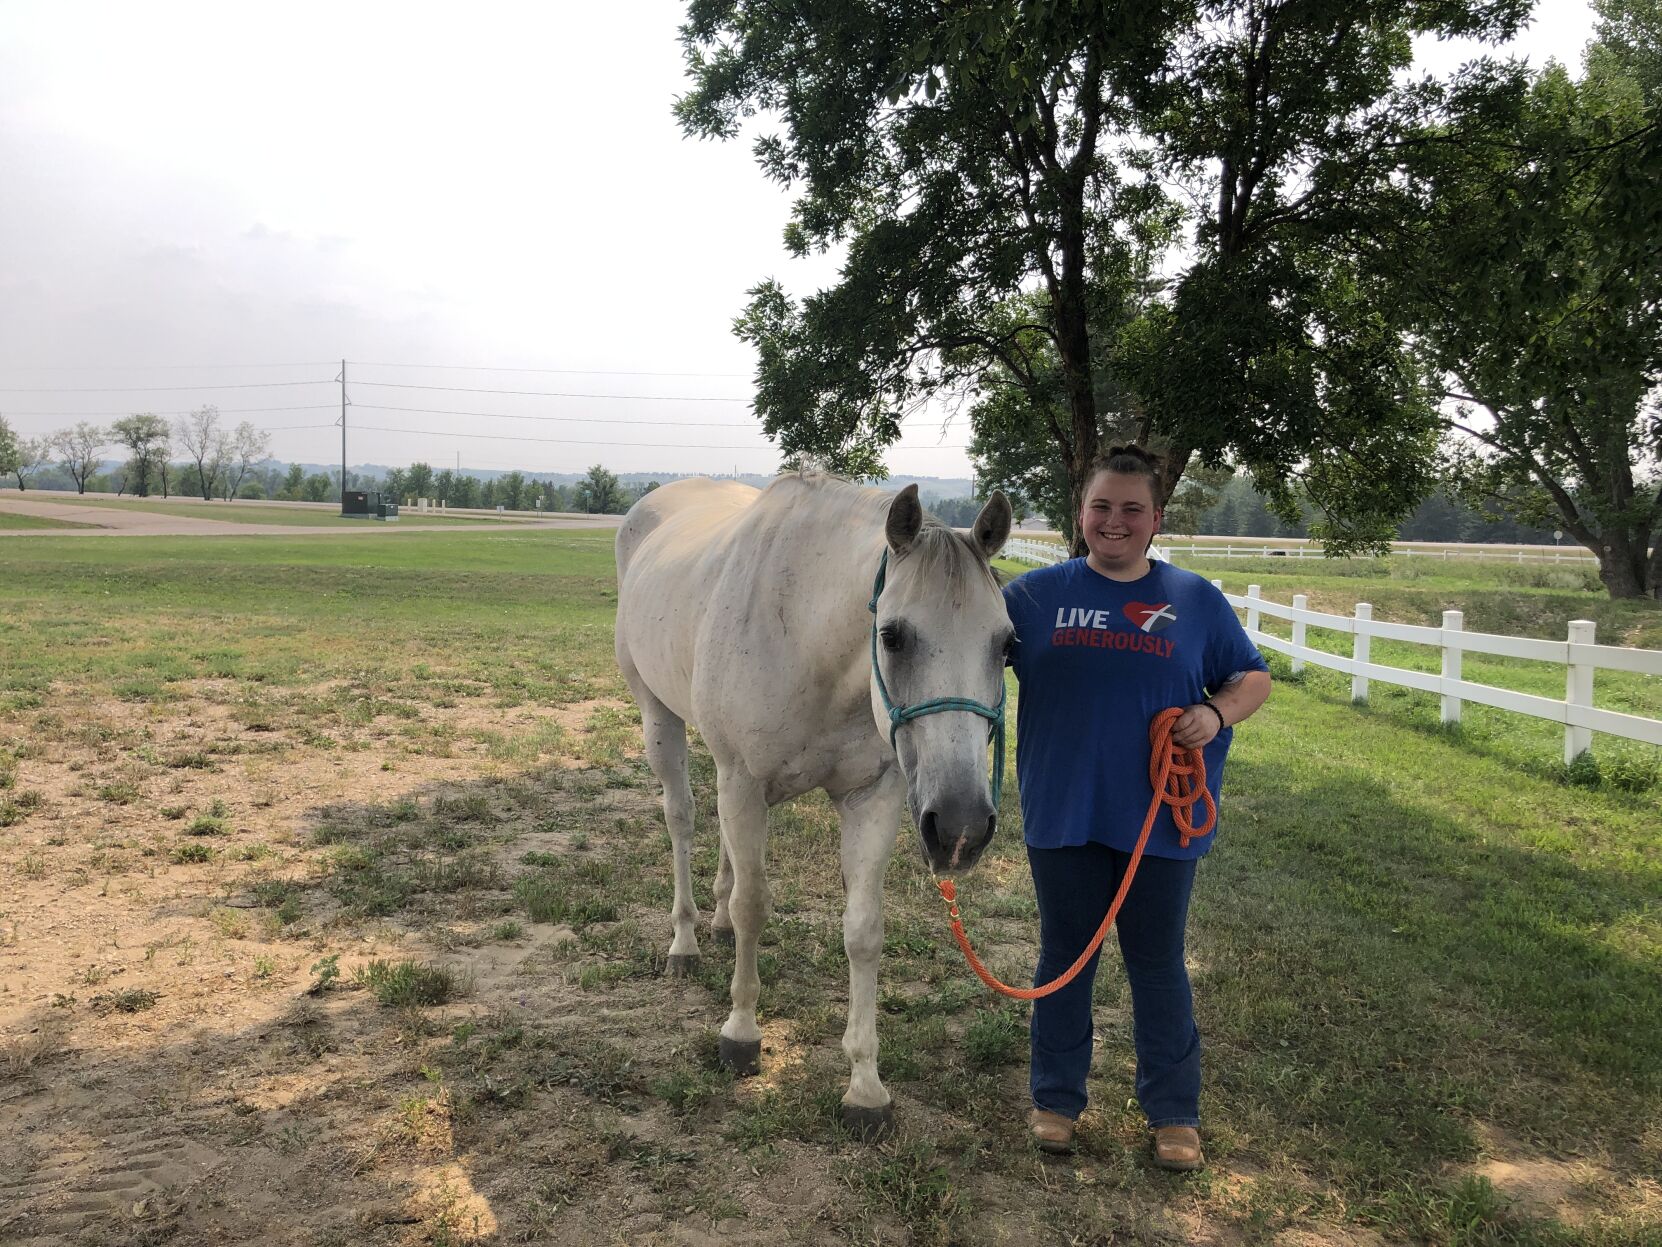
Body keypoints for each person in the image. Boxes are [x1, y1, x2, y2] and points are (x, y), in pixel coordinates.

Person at [1001, 445, 1272, 1170]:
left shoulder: (1195, 599)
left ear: (1154, 518)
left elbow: (1252, 678)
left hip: (1159, 815)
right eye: (1100, 506)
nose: (1113, 521)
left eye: (1130, 509)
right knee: (1066, 955)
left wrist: (1215, 716)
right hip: (1063, 812)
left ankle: (1174, 1113)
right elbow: (958, 648)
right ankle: (1055, 1100)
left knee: (1156, 961)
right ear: (1079, 513)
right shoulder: (1029, 598)